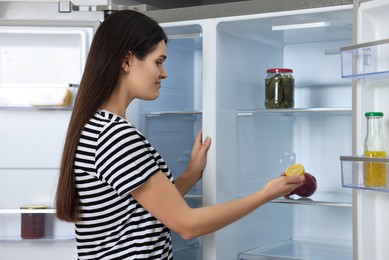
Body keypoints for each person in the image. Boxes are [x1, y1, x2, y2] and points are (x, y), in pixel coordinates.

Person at [55, 10, 305, 260]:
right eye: (158, 61)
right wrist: (265, 194)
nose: (164, 73)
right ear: (127, 60)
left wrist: (191, 174)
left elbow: (144, 207)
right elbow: (188, 224)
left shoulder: (96, 126)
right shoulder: (116, 137)